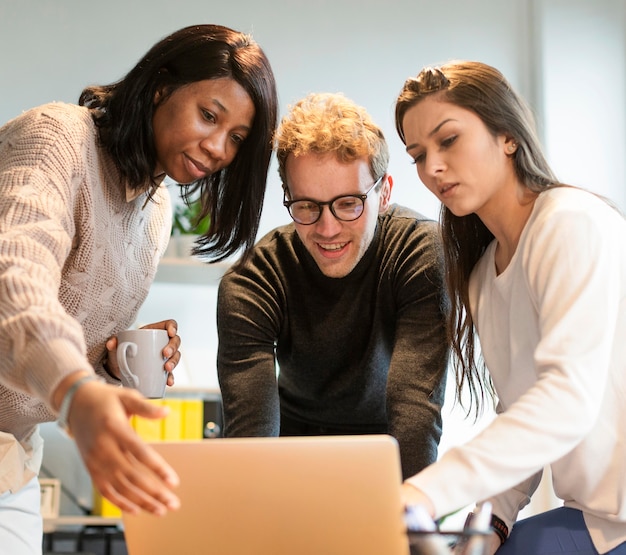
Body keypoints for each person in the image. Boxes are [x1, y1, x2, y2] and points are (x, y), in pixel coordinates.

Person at [0, 24, 278, 554]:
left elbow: (63, 333)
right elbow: (14, 280)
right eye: (209, 115)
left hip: (11, 459)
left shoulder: (154, 213)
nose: (219, 147)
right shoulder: (57, 138)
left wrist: (108, 365)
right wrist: (77, 396)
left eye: (237, 137)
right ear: (160, 88)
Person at [394, 60, 626, 554]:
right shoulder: (482, 276)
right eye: (417, 154)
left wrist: (426, 491)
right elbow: (522, 410)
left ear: (508, 136)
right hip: (594, 519)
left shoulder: (571, 224)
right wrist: (491, 525)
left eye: (448, 140)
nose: (432, 167)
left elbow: (566, 400)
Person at [216, 92, 449, 480]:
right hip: (291, 452)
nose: (327, 229)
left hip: (387, 452)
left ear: (385, 193)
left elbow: (415, 412)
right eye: (307, 206)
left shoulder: (420, 253)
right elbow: (251, 436)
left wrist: (411, 523)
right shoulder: (255, 279)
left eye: (348, 204)